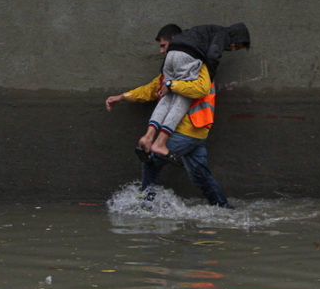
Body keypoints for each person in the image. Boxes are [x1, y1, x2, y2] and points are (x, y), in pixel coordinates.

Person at [105, 24, 240, 208]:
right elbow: (153, 89)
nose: (162, 52)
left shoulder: (198, 66)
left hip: (188, 129)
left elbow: (199, 89)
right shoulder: (175, 70)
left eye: (164, 46)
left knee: (151, 159)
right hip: (196, 131)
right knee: (201, 175)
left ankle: (146, 207)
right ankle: (223, 209)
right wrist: (122, 97)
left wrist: (172, 84)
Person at [137, 23, 250, 159]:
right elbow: (213, 54)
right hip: (187, 56)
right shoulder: (223, 33)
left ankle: (148, 136)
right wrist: (209, 75)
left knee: (167, 96)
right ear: (234, 36)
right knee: (184, 97)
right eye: (235, 45)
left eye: (237, 49)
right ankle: (160, 142)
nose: (232, 48)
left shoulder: (198, 32)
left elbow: (174, 52)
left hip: (171, 54)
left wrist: (164, 72)